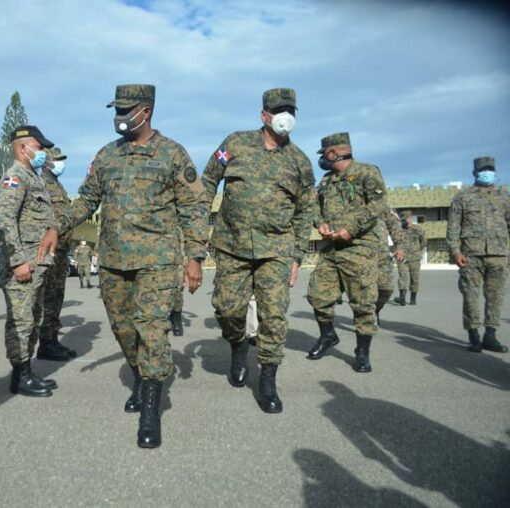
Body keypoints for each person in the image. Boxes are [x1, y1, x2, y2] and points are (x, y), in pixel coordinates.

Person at [47, 84, 207, 448]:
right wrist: (59, 226)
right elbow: (86, 199)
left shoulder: (172, 154)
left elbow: (194, 208)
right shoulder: (106, 156)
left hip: (158, 261)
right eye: (116, 110)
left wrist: (195, 257)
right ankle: (139, 376)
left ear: (146, 111)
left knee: (151, 330)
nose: (119, 117)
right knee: (124, 330)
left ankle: (151, 408)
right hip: (114, 261)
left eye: (126, 110)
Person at [201, 87, 316, 413]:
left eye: (291, 110)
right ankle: (238, 347)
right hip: (232, 245)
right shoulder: (234, 143)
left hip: (276, 250)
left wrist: (296, 255)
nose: (285, 117)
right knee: (228, 310)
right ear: (264, 115)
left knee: (273, 317)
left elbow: (306, 210)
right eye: (279, 110)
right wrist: (200, 227)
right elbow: (208, 181)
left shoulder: (299, 161)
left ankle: (267, 380)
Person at [306, 132, 387, 373]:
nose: (322, 160)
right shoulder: (326, 181)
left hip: (358, 249)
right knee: (318, 296)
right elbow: (314, 207)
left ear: (332, 153)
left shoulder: (367, 172)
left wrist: (350, 230)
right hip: (330, 250)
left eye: (324, 155)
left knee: (363, 303)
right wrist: (318, 223)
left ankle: (362, 353)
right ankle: (328, 335)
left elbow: (378, 205)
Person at [0, 125, 59, 396]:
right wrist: (18, 260)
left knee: (33, 318)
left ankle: (27, 371)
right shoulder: (16, 177)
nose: (43, 152)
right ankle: (20, 374)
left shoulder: (34, 177)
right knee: (21, 321)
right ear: (23, 148)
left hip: (37, 265)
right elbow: (4, 219)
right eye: (39, 147)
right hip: (23, 266)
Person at [446, 157, 510, 353]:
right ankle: (473, 335)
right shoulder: (463, 196)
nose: (487, 172)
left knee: (496, 296)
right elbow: (453, 227)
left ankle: (490, 335)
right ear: (475, 173)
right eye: (483, 169)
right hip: (470, 254)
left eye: (490, 169)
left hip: (499, 254)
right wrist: (455, 251)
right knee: (470, 296)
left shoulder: (505, 195)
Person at [38, 147, 78, 360]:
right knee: (49, 297)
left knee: (57, 296)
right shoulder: (41, 182)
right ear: (47, 162)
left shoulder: (57, 184)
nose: (61, 163)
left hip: (61, 250)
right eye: (57, 160)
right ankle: (45, 342)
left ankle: (51, 339)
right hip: (50, 250)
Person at [375, 207, 405, 326]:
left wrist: (399, 246)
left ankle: (375, 310)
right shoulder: (351, 199)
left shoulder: (382, 202)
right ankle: (364, 318)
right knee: (361, 291)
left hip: (381, 253)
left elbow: (394, 224)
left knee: (386, 288)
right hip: (358, 254)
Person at [393, 210, 427, 306]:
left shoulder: (418, 229)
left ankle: (413, 299)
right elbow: (395, 241)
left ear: (410, 219)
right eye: (402, 220)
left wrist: (417, 251)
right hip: (402, 257)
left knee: (414, 278)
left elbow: (424, 242)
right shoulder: (398, 230)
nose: (404, 222)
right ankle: (402, 298)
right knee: (402, 277)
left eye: (406, 219)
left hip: (415, 258)